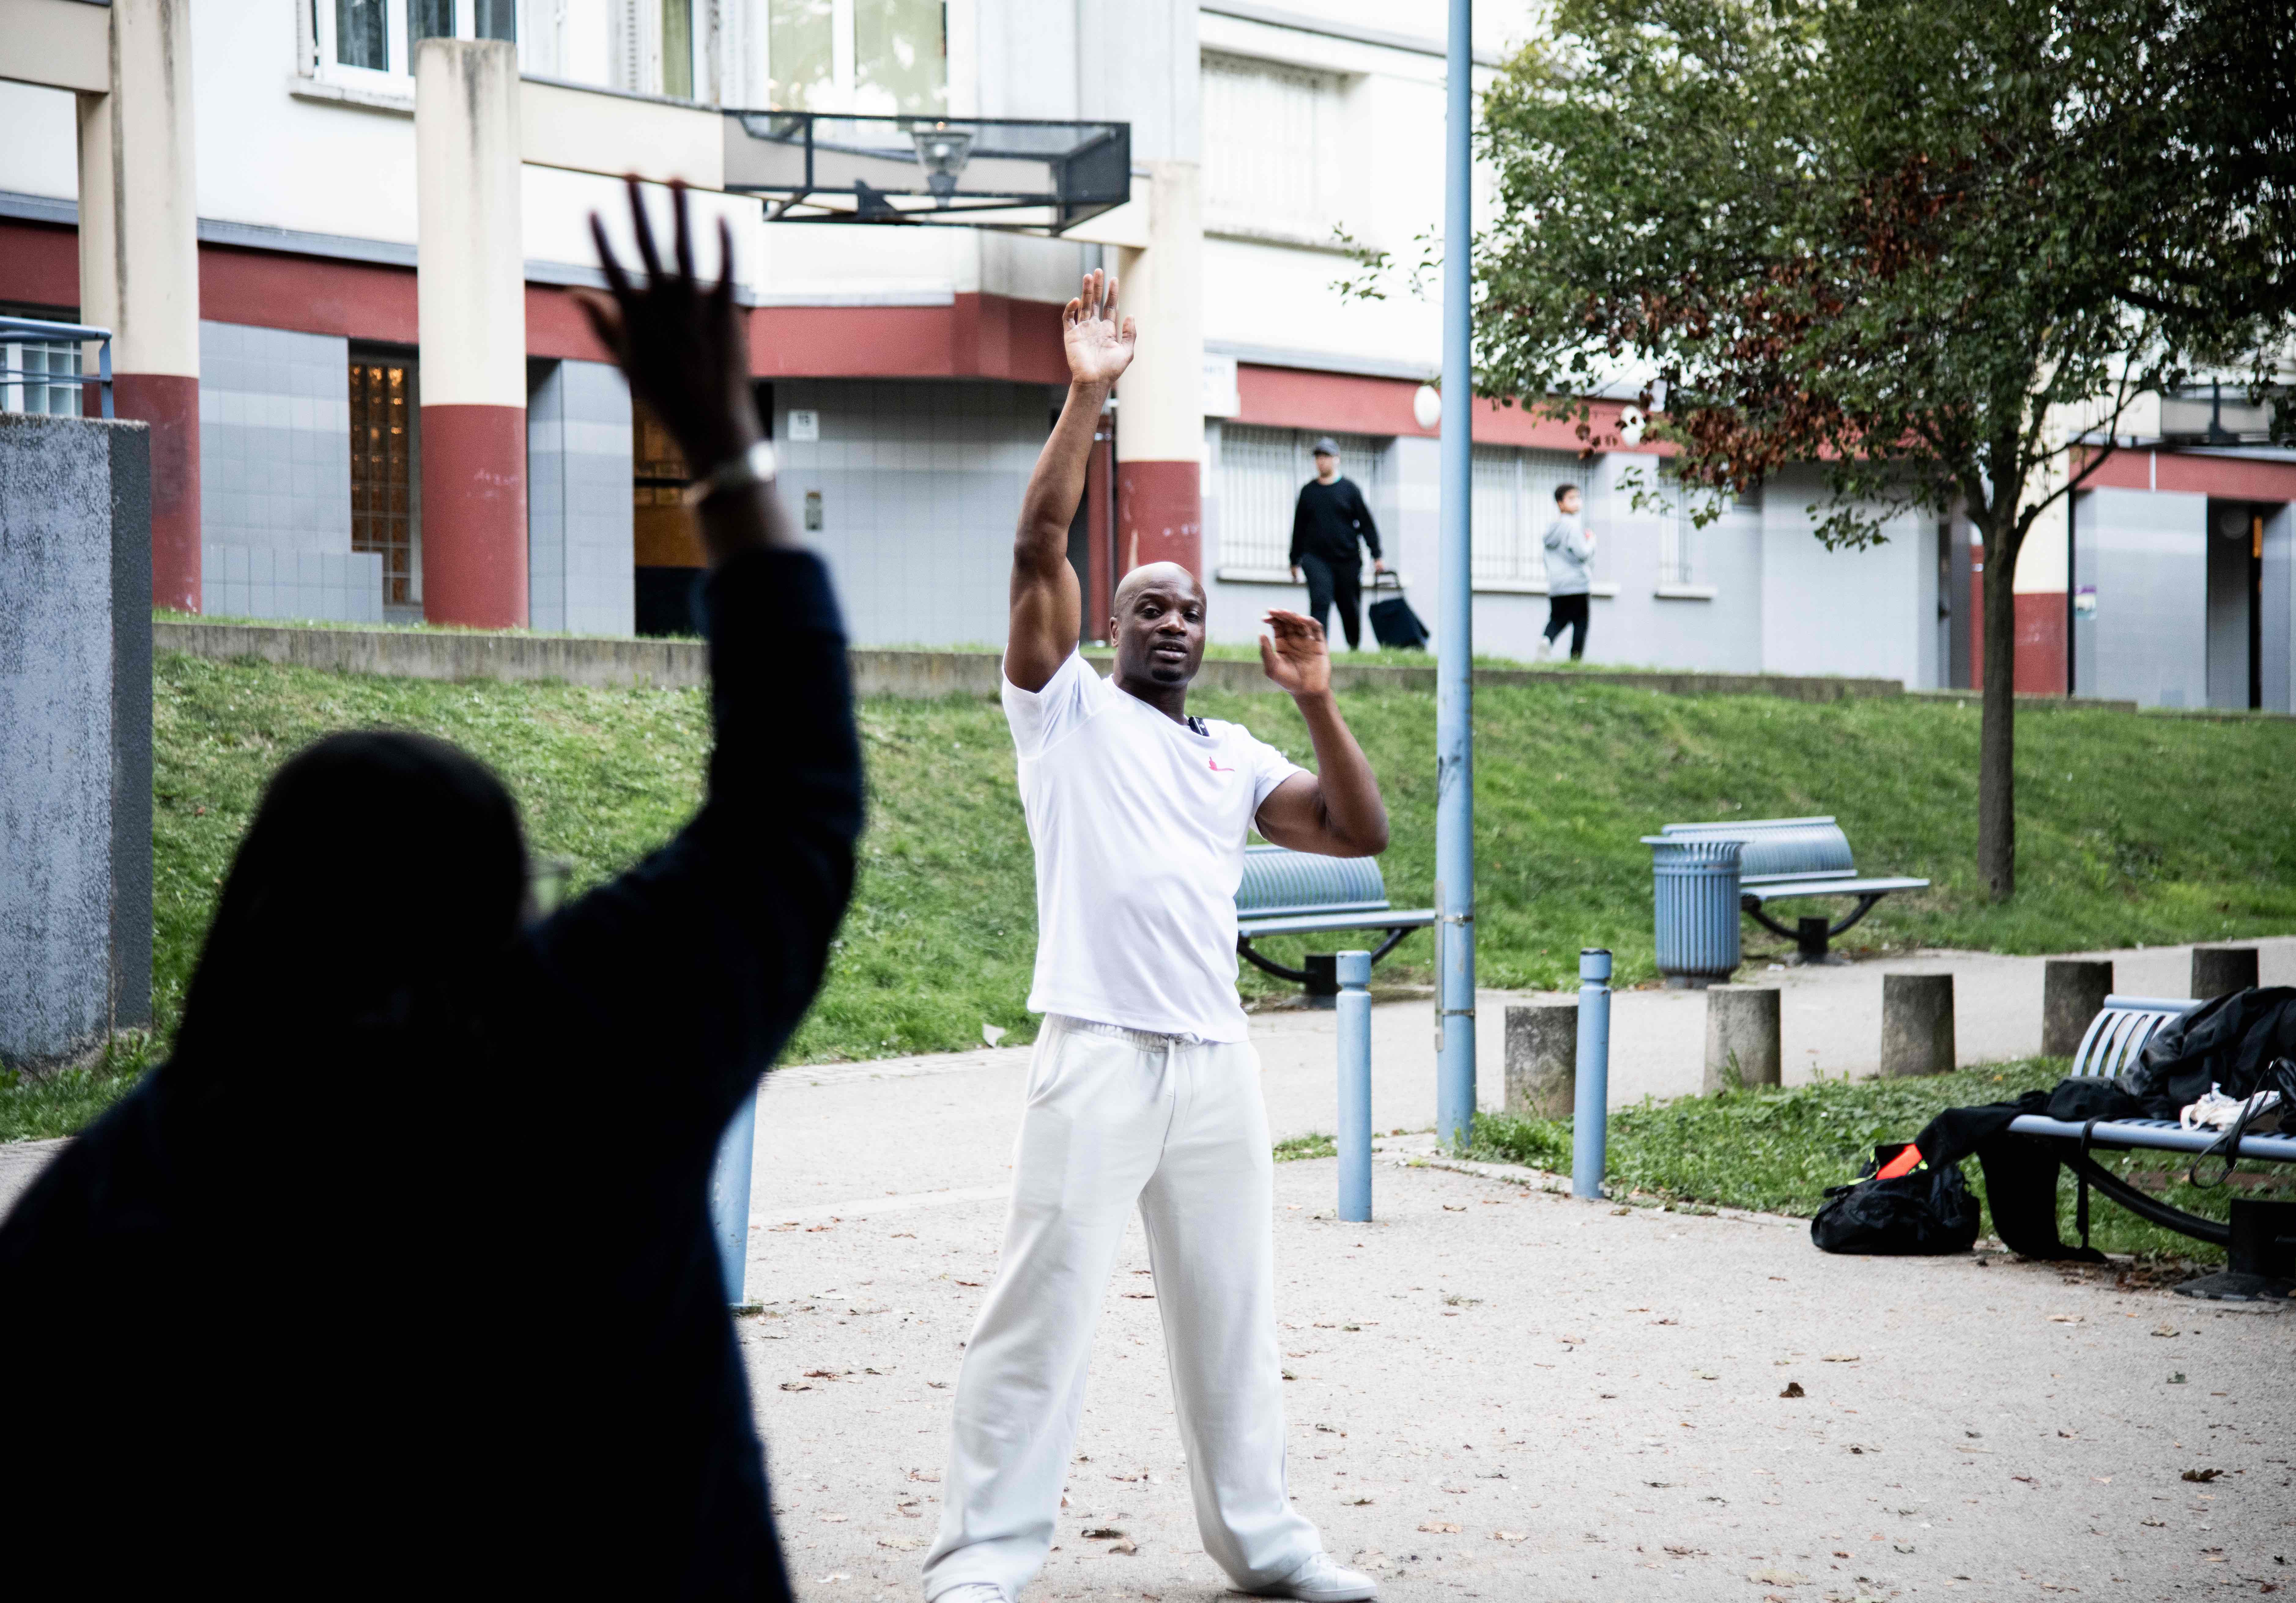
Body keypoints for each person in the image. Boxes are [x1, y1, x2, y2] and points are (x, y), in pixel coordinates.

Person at [0, 180, 860, 1602]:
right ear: (502, 903)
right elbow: (793, 809)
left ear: (250, 915)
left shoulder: (112, 1204)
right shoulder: (588, 1059)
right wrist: (717, 450)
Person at [922, 272, 1389, 1603]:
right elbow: (1035, 548)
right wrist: (1088, 393)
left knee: (1232, 1318)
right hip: (1097, 1052)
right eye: (1148, 605)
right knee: (1040, 1310)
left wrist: (1316, 700)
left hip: (1212, 1063)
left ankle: (1262, 1540)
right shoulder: (1060, 711)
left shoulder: (1229, 750)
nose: (1172, 619)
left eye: (1189, 607)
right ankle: (982, 1561)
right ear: (1107, 626)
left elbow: (1354, 832)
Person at [1286, 437, 1385, 650]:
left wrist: (1377, 555)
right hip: (1316, 559)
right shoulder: (1308, 492)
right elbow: (1299, 528)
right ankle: (1318, 651)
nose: (1321, 462)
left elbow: (1367, 524)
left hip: (1347, 561)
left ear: (1337, 460)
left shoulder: (1350, 491)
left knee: (1349, 608)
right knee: (1320, 603)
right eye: (1318, 457)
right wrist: (1294, 561)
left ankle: (1353, 647)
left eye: (1326, 457)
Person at [1541, 480, 1597, 660]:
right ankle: (1575, 661)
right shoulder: (1573, 526)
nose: (1577, 502)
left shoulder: (1551, 529)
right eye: (1571, 498)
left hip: (1557, 585)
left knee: (1557, 620)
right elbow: (1583, 554)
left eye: (1579, 497)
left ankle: (1546, 641)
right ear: (1560, 503)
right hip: (1577, 584)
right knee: (1581, 622)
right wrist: (1592, 542)